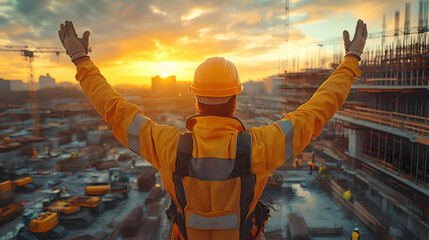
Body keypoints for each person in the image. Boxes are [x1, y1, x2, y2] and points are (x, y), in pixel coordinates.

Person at [58, 19, 367, 240]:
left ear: (195, 98)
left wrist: (81, 60)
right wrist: (350, 60)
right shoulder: (261, 147)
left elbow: (115, 111)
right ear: (235, 99)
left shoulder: (168, 146)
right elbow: (317, 110)